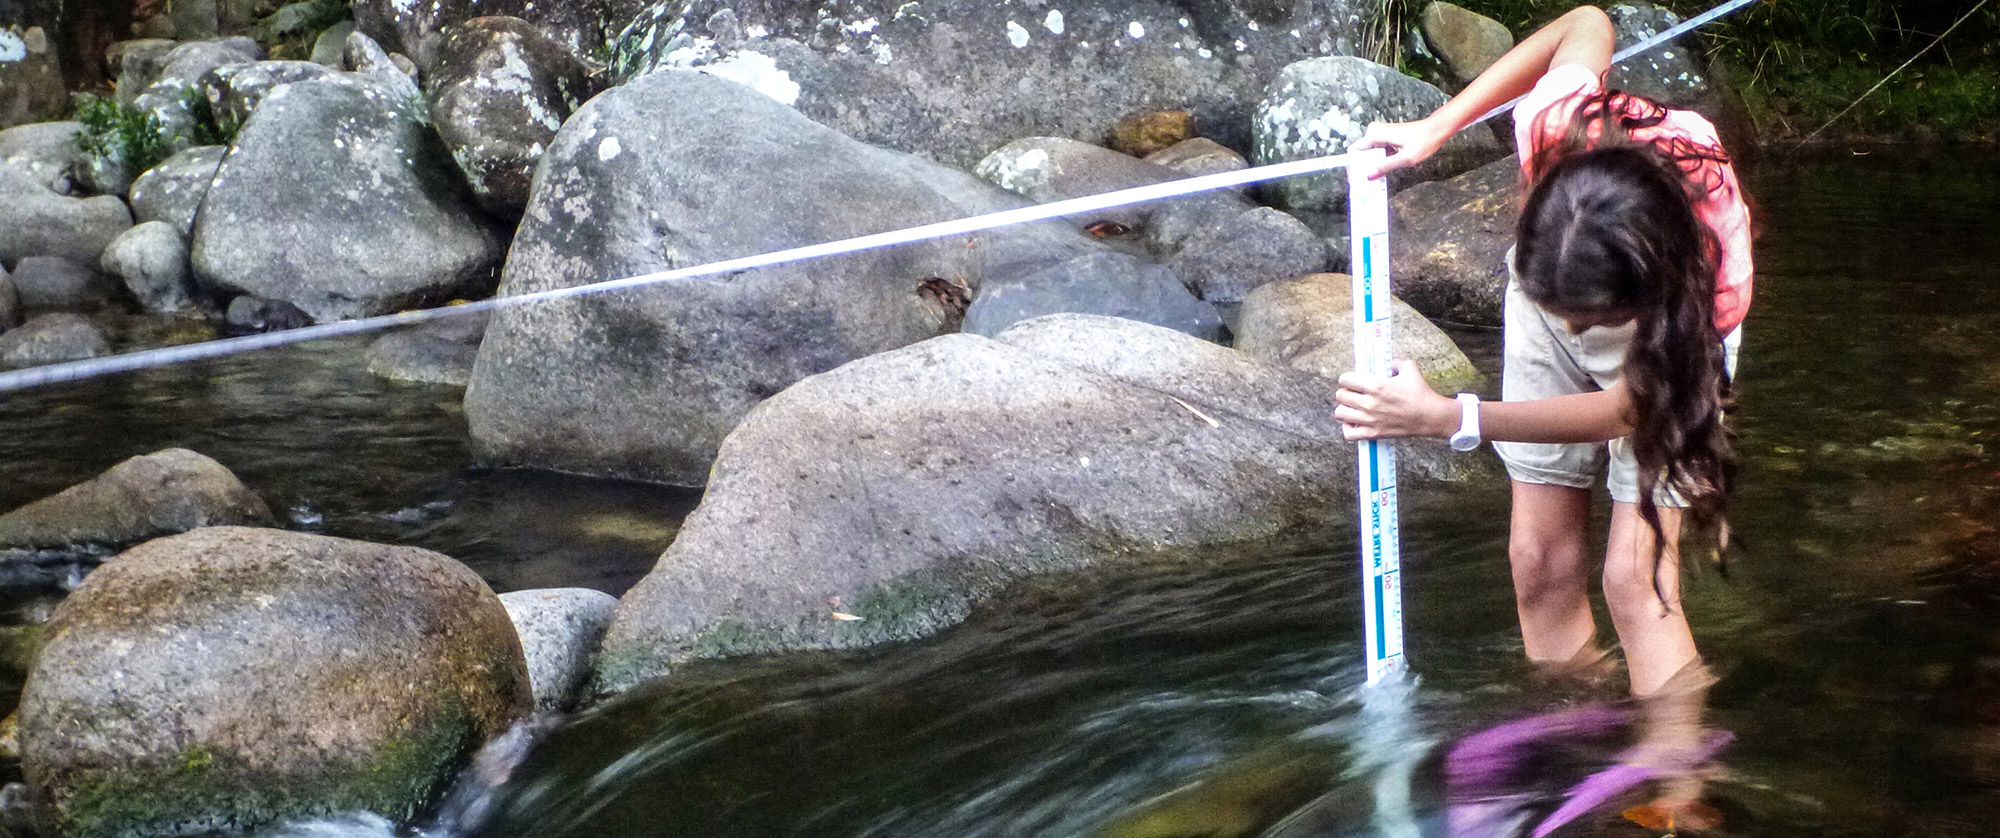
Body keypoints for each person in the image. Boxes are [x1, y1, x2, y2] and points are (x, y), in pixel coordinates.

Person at [1333, 5, 1752, 701]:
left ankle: (1677, 785)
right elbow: (1585, 20)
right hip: (1571, 275)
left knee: (1634, 577)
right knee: (1537, 559)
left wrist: (1451, 417)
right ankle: (1575, 723)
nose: (1576, 335)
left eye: (1586, 325)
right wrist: (1438, 126)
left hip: (1668, 340)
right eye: (1564, 315)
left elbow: (1627, 409)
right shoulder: (1554, 122)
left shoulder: (1710, 289)